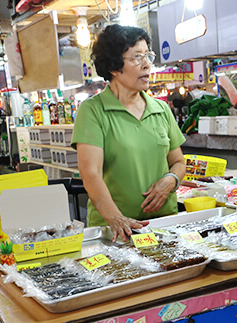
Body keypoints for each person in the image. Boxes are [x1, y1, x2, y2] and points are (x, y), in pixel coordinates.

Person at [72, 24, 186, 242]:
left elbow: (178, 161)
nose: (147, 65)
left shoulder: (161, 109)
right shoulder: (94, 110)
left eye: (148, 56)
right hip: (115, 232)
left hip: (162, 226)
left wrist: (171, 180)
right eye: (136, 57)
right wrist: (117, 219)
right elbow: (90, 174)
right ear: (115, 67)